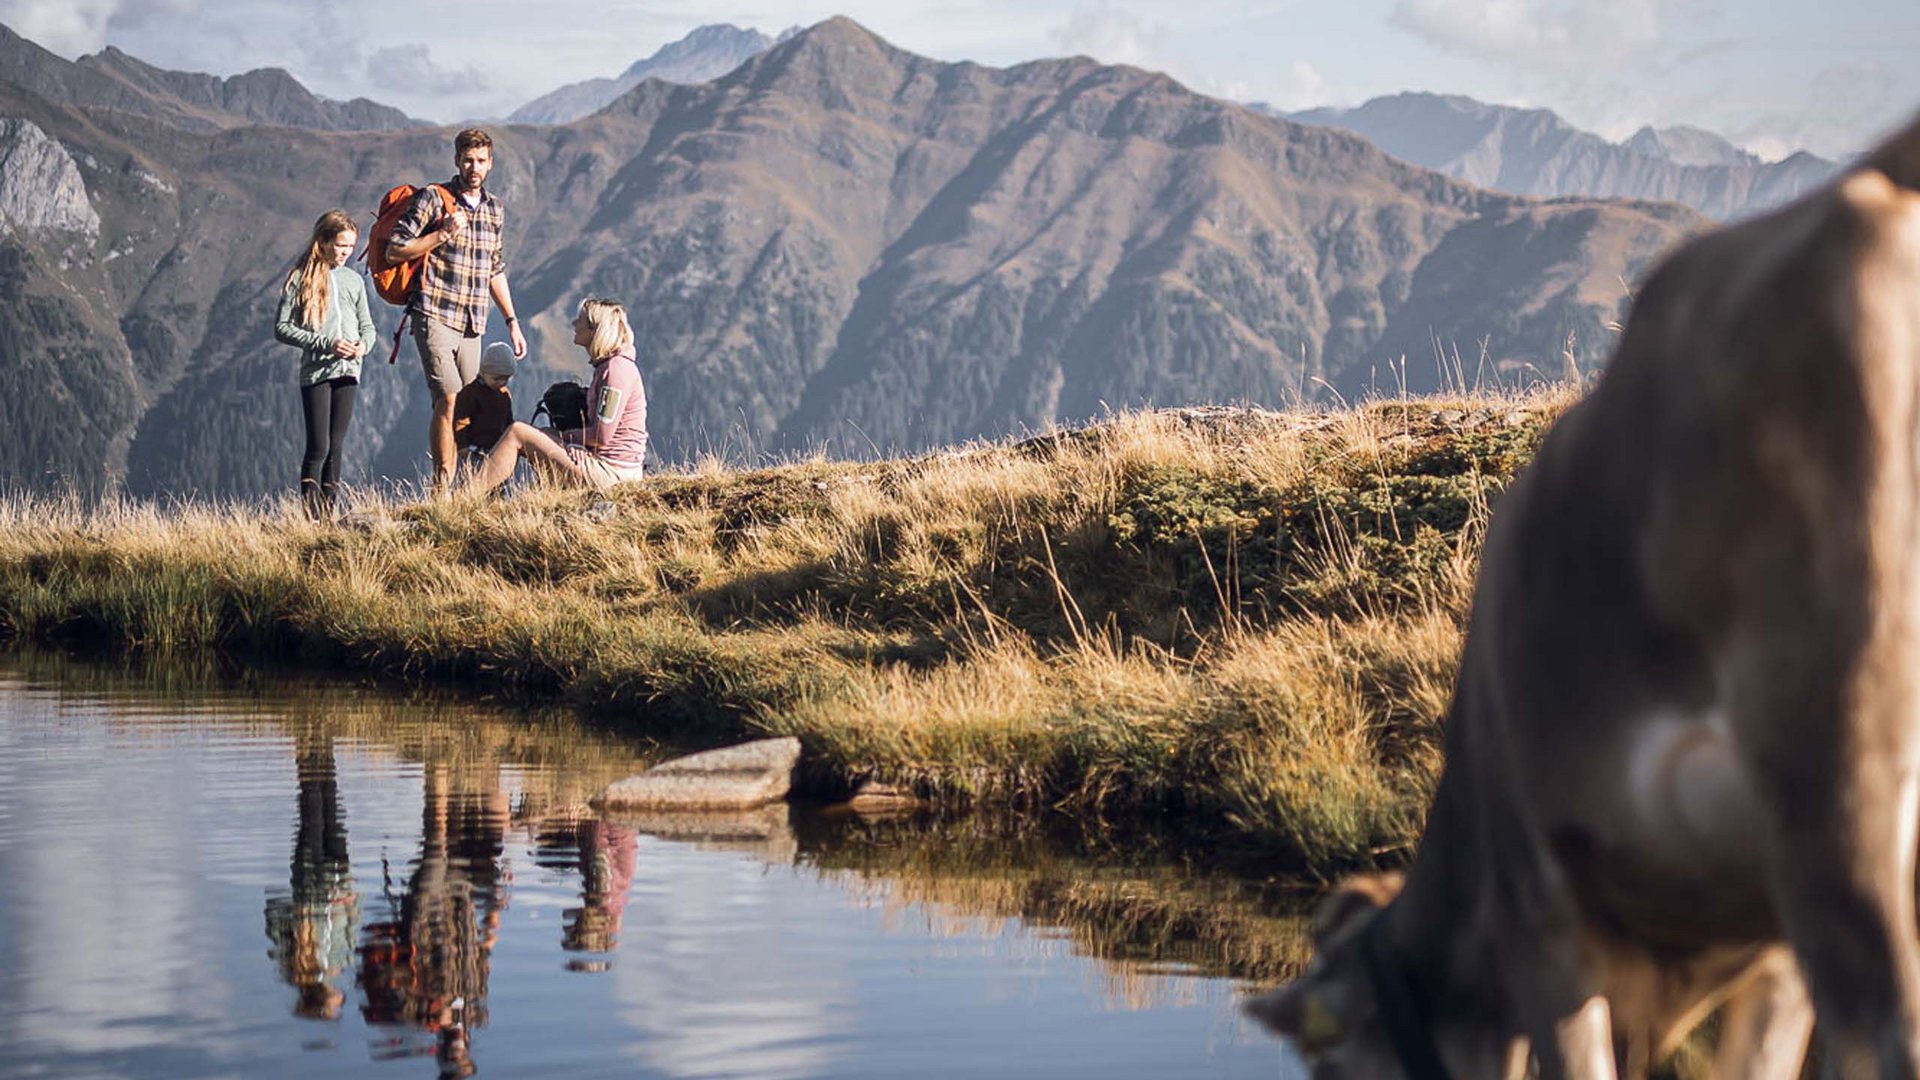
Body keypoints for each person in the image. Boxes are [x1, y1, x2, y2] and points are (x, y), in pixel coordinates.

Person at [386, 128, 527, 496]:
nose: (473, 167)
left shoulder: (495, 209)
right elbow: (394, 250)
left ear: (491, 164)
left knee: (469, 403)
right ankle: (441, 488)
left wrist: (512, 322)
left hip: (473, 320)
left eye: (481, 160)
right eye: (467, 159)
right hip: (433, 311)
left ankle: (470, 488)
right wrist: (440, 235)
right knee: (447, 397)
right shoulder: (435, 199)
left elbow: (495, 269)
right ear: (456, 160)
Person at [463, 298, 646, 495]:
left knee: (517, 432)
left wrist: (565, 438)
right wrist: (573, 442)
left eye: (580, 320)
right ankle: (528, 497)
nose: (574, 324)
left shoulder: (616, 370)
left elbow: (602, 436)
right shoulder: (611, 366)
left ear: (595, 330)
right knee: (544, 433)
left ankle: (466, 498)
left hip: (613, 474)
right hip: (616, 467)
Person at [275, 209, 376, 521]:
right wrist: (325, 344)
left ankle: (328, 515)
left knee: (337, 446)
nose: (346, 253)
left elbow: (368, 328)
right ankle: (310, 517)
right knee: (318, 446)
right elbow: (282, 328)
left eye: (350, 247)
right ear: (323, 241)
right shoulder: (299, 278)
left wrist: (362, 347)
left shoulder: (353, 281)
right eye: (340, 245)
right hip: (317, 373)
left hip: (349, 372)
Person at [453, 343, 516, 458]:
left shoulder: (504, 395)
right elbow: (461, 421)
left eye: (506, 379)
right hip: (474, 449)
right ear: (484, 373)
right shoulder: (471, 393)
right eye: (496, 379)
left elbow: (508, 421)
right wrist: (462, 447)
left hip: (498, 448)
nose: (501, 383)